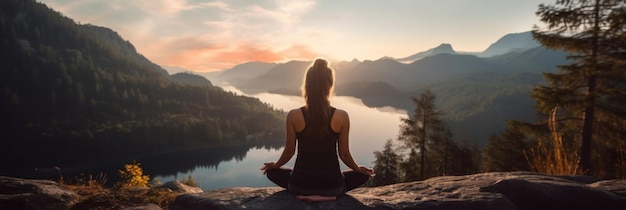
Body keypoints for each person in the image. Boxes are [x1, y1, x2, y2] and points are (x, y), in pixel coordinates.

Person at [260, 58, 374, 201]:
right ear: (329, 85)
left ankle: (308, 195)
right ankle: (328, 197)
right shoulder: (341, 116)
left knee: (273, 173)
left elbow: (289, 151)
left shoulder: (294, 115)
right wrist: (358, 169)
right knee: (363, 175)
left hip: (299, 186)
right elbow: (344, 154)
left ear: (307, 85)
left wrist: (275, 165)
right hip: (333, 187)